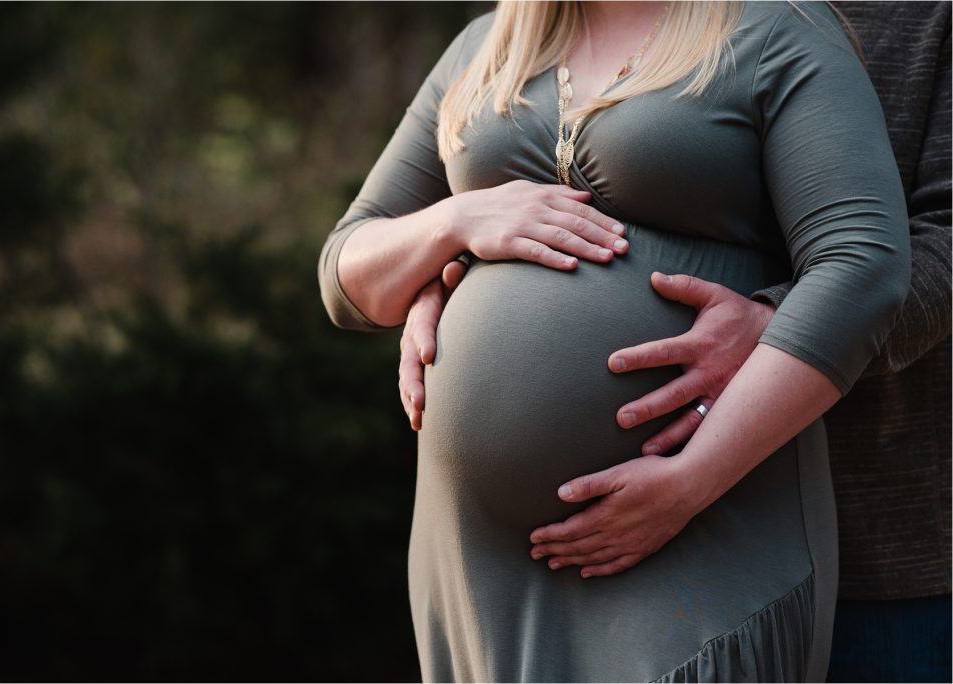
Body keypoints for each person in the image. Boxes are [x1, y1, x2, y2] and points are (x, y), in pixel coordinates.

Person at [320, 2, 909, 681]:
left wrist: (690, 481)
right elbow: (347, 273)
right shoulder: (485, 49)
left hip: (701, 522)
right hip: (482, 565)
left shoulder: (775, 29)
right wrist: (454, 224)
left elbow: (862, 268)